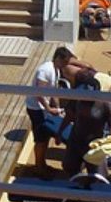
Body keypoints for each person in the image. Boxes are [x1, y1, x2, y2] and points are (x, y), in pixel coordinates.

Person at [57, 69, 111, 177]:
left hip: (94, 144)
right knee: (69, 167)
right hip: (75, 140)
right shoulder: (77, 100)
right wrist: (60, 132)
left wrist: (110, 140)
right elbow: (69, 116)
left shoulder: (105, 104)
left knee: (98, 176)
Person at [24, 47, 74, 178]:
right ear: (58, 59)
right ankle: (38, 167)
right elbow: (39, 92)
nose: (66, 65)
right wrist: (48, 108)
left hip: (43, 109)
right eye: (65, 62)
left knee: (45, 136)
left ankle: (42, 164)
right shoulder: (45, 70)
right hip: (36, 109)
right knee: (40, 139)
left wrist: (56, 107)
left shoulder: (56, 70)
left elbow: (53, 92)